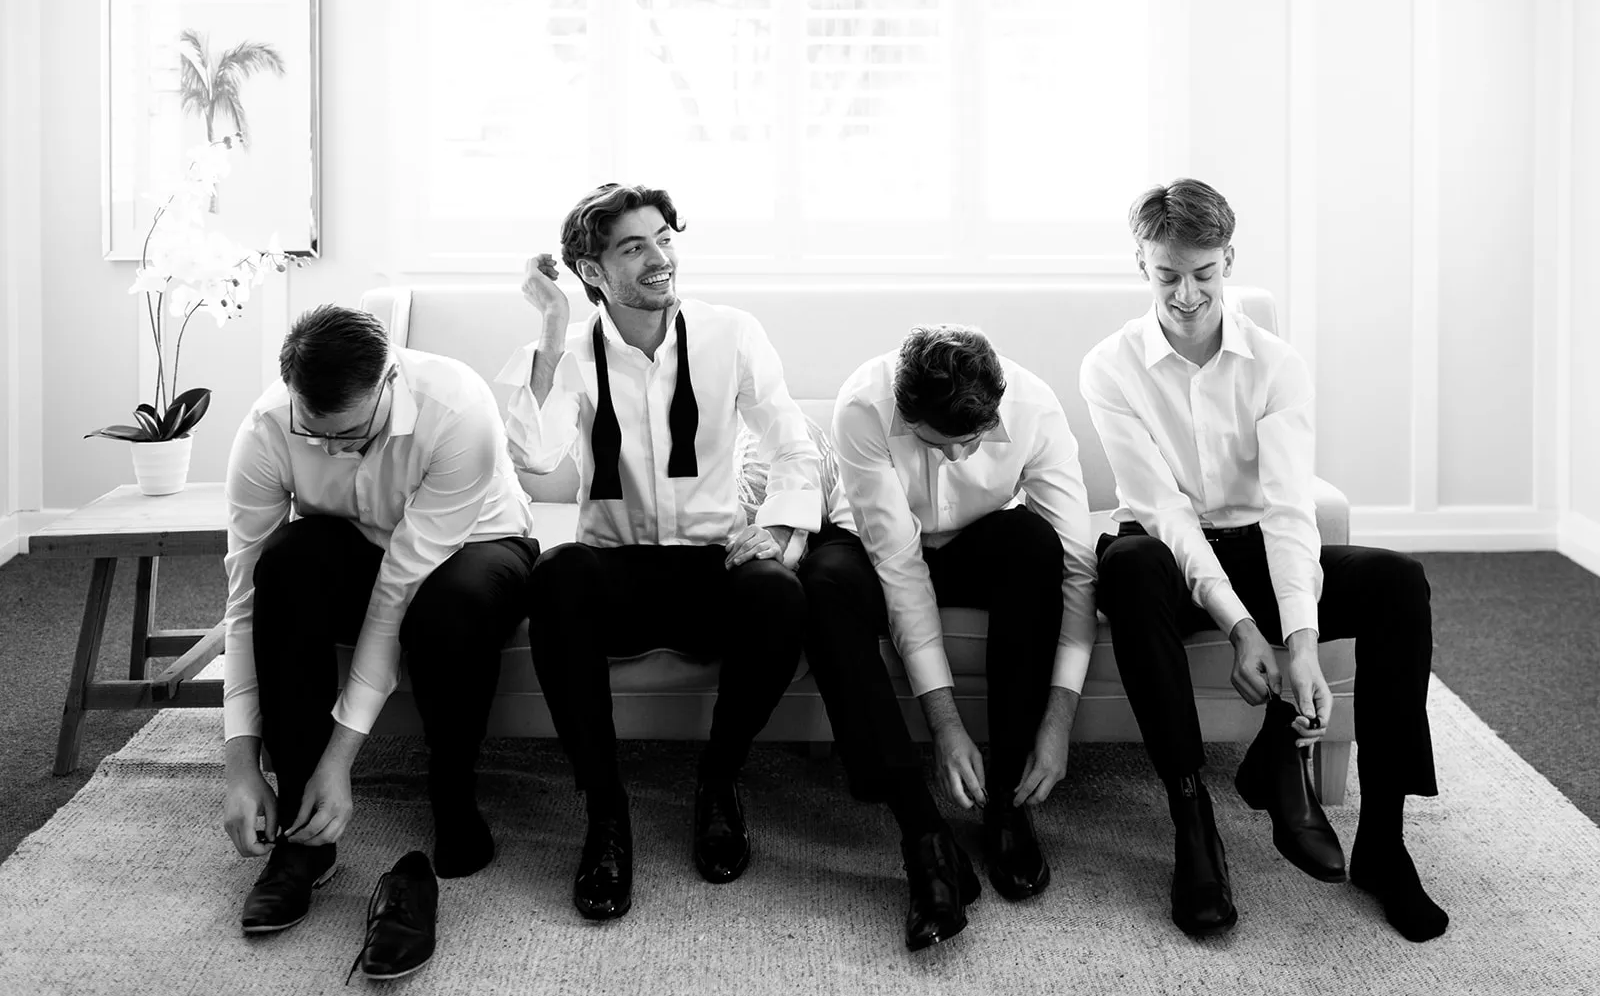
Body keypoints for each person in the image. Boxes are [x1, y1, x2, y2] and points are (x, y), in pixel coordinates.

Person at [1080, 178, 1447, 942]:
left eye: (1203, 274)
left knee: (1397, 582)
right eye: (1166, 275)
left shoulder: (1277, 364)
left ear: (1229, 260)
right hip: (1167, 558)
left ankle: (1382, 839)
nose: (1185, 295)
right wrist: (1247, 631)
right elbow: (1167, 511)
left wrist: (1301, 641)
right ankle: (1194, 825)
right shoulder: (1109, 367)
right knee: (1129, 563)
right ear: (1140, 264)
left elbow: (1288, 507)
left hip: (1255, 543)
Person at [499, 183, 820, 922]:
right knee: (558, 573)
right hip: (617, 570)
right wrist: (552, 331)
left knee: (780, 590)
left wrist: (780, 528)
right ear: (591, 271)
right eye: (633, 247)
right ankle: (606, 811)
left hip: (709, 563)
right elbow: (536, 451)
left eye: (665, 238)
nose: (659, 258)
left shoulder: (731, 332)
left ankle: (718, 779)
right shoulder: (564, 351)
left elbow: (790, 440)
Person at [219, 305, 541, 942]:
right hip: (360, 540)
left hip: (476, 544)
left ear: (389, 381)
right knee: (284, 568)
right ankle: (302, 836)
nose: (334, 450)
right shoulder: (264, 429)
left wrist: (344, 756)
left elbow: (397, 593)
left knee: (448, 607)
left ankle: (453, 793)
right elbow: (243, 601)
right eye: (317, 436)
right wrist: (240, 767)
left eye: (352, 434)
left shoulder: (457, 410)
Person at [799, 324, 1099, 950]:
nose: (961, 458)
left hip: (979, 539)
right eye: (942, 446)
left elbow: (1078, 564)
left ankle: (1008, 803)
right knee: (822, 585)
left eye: (976, 441)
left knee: (1037, 546)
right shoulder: (862, 407)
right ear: (908, 422)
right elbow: (900, 567)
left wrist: (1061, 716)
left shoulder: (1036, 408)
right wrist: (945, 724)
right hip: (875, 547)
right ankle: (923, 834)